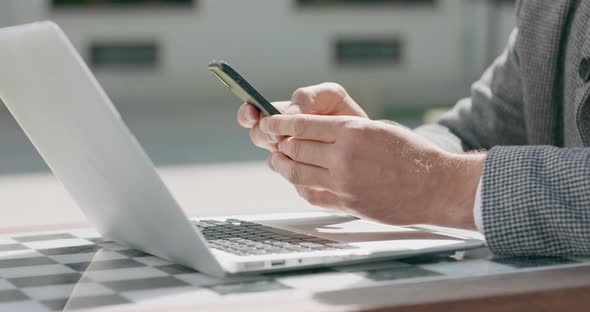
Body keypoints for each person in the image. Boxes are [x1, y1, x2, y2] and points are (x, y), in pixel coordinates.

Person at [237, 1, 590, 257]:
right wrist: (367, 150)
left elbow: (440, 174)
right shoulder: (546, 8)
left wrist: (436, 184)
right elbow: (476, 129)